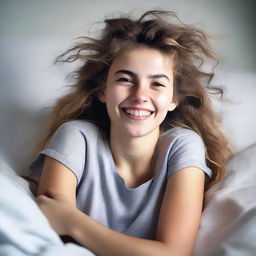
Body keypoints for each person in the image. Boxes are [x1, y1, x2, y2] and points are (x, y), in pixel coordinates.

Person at [29, 10, 232, 256]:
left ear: (173, 99)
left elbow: (175, 253)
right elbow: (55, 238)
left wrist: (73, 222)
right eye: (126, 79)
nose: (139, 96)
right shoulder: (76, 137)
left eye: (157, 84)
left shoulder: (183, 145)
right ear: (103, 90)